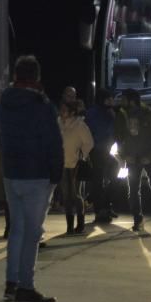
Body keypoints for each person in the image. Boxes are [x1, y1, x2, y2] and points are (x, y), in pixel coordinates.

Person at [0, 55, 62, 302]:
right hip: (36, 174)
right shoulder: (41, 104)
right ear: (36, 76)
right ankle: (26, 286)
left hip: (12, 172)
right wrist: (56, 173)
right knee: (33, 233)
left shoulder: (5, 102)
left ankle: (11, 282)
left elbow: (0, 138)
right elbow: (53, 141)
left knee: (17, 229)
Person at [115, 89, 151, 233]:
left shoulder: (149, 113)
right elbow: (118, 137)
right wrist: (124, 155)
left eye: (123, 99)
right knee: (133, 190)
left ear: (131, 100)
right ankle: (138, 220)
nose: (121, 102)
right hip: (132, 158)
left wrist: (150, 156)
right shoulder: (122, 114)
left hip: (149, 158)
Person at [58, 100, 94, 235]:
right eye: (61, 109)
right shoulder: (58, 123)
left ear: (72, 112)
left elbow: (89, 142)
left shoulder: (80, 125)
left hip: (75, 165)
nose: (61, 112)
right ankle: (69, 226)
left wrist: (81, 155)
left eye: (64, 109)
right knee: (66, 196)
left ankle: (80, 223)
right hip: (62, 164)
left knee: (76, 194)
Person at [85, 89, 118, 223]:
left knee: (114, 173)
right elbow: (96, 130)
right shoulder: (94, 113)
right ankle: (100, 210)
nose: (112, 101)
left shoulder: (110, 112)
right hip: (97, 150)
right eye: (109, 99)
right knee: (98, 180)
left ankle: (104, 204)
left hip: (106, 149)